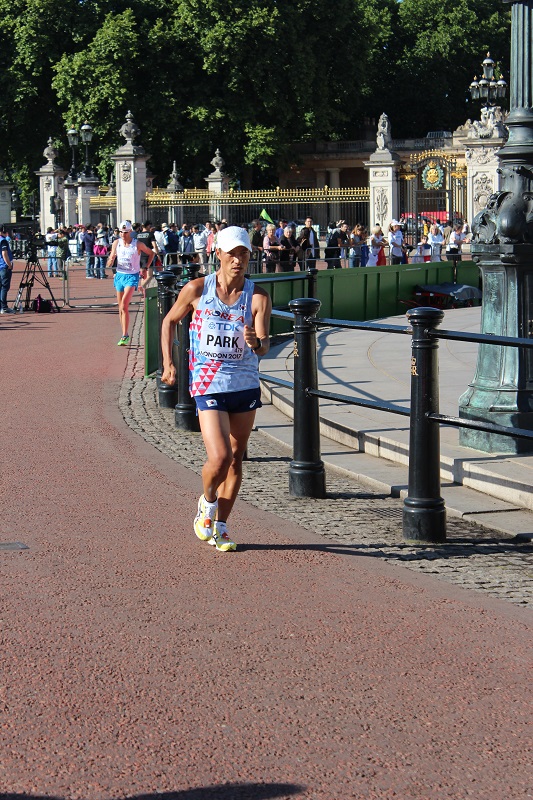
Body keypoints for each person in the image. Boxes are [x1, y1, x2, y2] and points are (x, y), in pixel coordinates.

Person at [160, 226, 272, 552]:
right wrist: (169, 364)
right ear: (218, 254)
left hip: (245, 383)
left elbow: (264, 344)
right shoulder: (197, 289)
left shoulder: (258, 296)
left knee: (236, 459)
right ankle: (206, 504)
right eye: (232, 253)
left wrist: (257, 342)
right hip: (208, 382)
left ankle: (220, 525)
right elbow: (169, 321)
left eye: (244, 254)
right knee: (220, 456)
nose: (238, 260)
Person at [106, 220, 154, 346]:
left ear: (130, 232)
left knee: (124, 305)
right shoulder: (116, 243)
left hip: (132, 276)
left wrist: (145, 267)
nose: (123, 235)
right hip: (120, 275)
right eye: (121, 232)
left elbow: (151, 253)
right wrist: (110, 261)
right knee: (120, 308)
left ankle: (125, 335)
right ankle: (124, 333)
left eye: (126, 232)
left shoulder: (137, 244)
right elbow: (110, 260)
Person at [0, 229, 14, 314]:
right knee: (4, 287)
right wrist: (9, 264)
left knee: (1, 287)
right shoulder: (3, 241)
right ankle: (4, 307)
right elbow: (4, 254)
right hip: (4, 266)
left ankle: (1, 306)